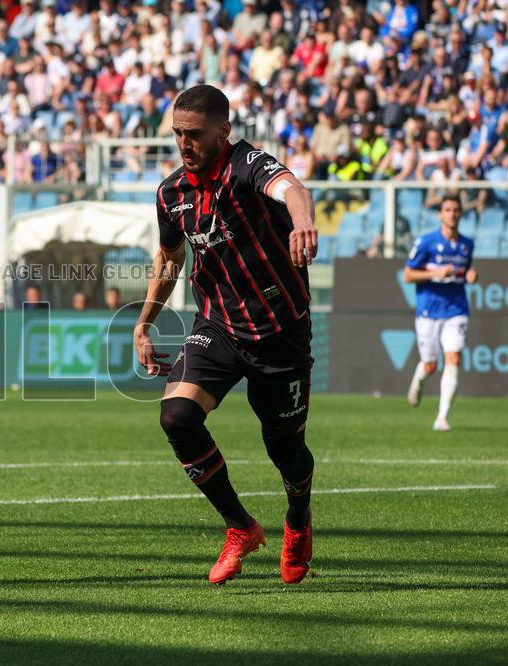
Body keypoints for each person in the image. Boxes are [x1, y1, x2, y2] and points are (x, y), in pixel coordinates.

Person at [134, 85, 319, 585]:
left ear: (224, 130)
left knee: (287, 452)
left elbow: (293, 189)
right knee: (176, 416)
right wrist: (145, 321)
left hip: (280, 332)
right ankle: (240, 527)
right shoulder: (171, 193)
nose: (184, 143)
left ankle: (298, 515)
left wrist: (303, 223)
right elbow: (171, 258)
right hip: (217, 325)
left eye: (194, 134)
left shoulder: (248, 166)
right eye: (177, 134)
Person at [403, 195, 476, 432]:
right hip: (429, 310)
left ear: (460, 214)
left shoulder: (467, 244)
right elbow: (408, 275)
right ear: (440, 214)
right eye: (447, 210)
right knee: (431, 364)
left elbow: (463, 272)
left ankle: (442, 417)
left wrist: (470, 275)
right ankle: (419, 379)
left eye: (456, 210)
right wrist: (436, 273)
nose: (452, 214)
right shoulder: (426, 242)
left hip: (456, 309)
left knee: (454, 358)